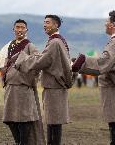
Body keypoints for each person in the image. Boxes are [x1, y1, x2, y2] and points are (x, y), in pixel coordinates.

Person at [0, 19, 45, 145]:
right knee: (10, 119)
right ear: (13, 29)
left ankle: (23, 143)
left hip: (23, 87)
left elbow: (38, 62)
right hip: (10, 87)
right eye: (17, 27)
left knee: (23, 119)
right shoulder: (9, 45)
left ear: (26, 30)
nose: (20, 30)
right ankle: (19, 141)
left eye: (22, 27)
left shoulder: (29, 45)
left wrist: (29, 78)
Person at [15, 15, 72, 145]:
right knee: (53, 121)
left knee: (54, 122)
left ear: (56, 25)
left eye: (47, 23)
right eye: (44, 22)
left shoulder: (55, 42)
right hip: (55, 86)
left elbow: (42, 60)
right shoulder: (57, 41)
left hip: (54, 86)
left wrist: (22, 60)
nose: (44, 25)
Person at [72, 10, 115, 145]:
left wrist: (80, 62)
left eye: (107, 21)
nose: (105, 24)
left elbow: (103, 62)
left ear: (112, 24)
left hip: (114, 88)